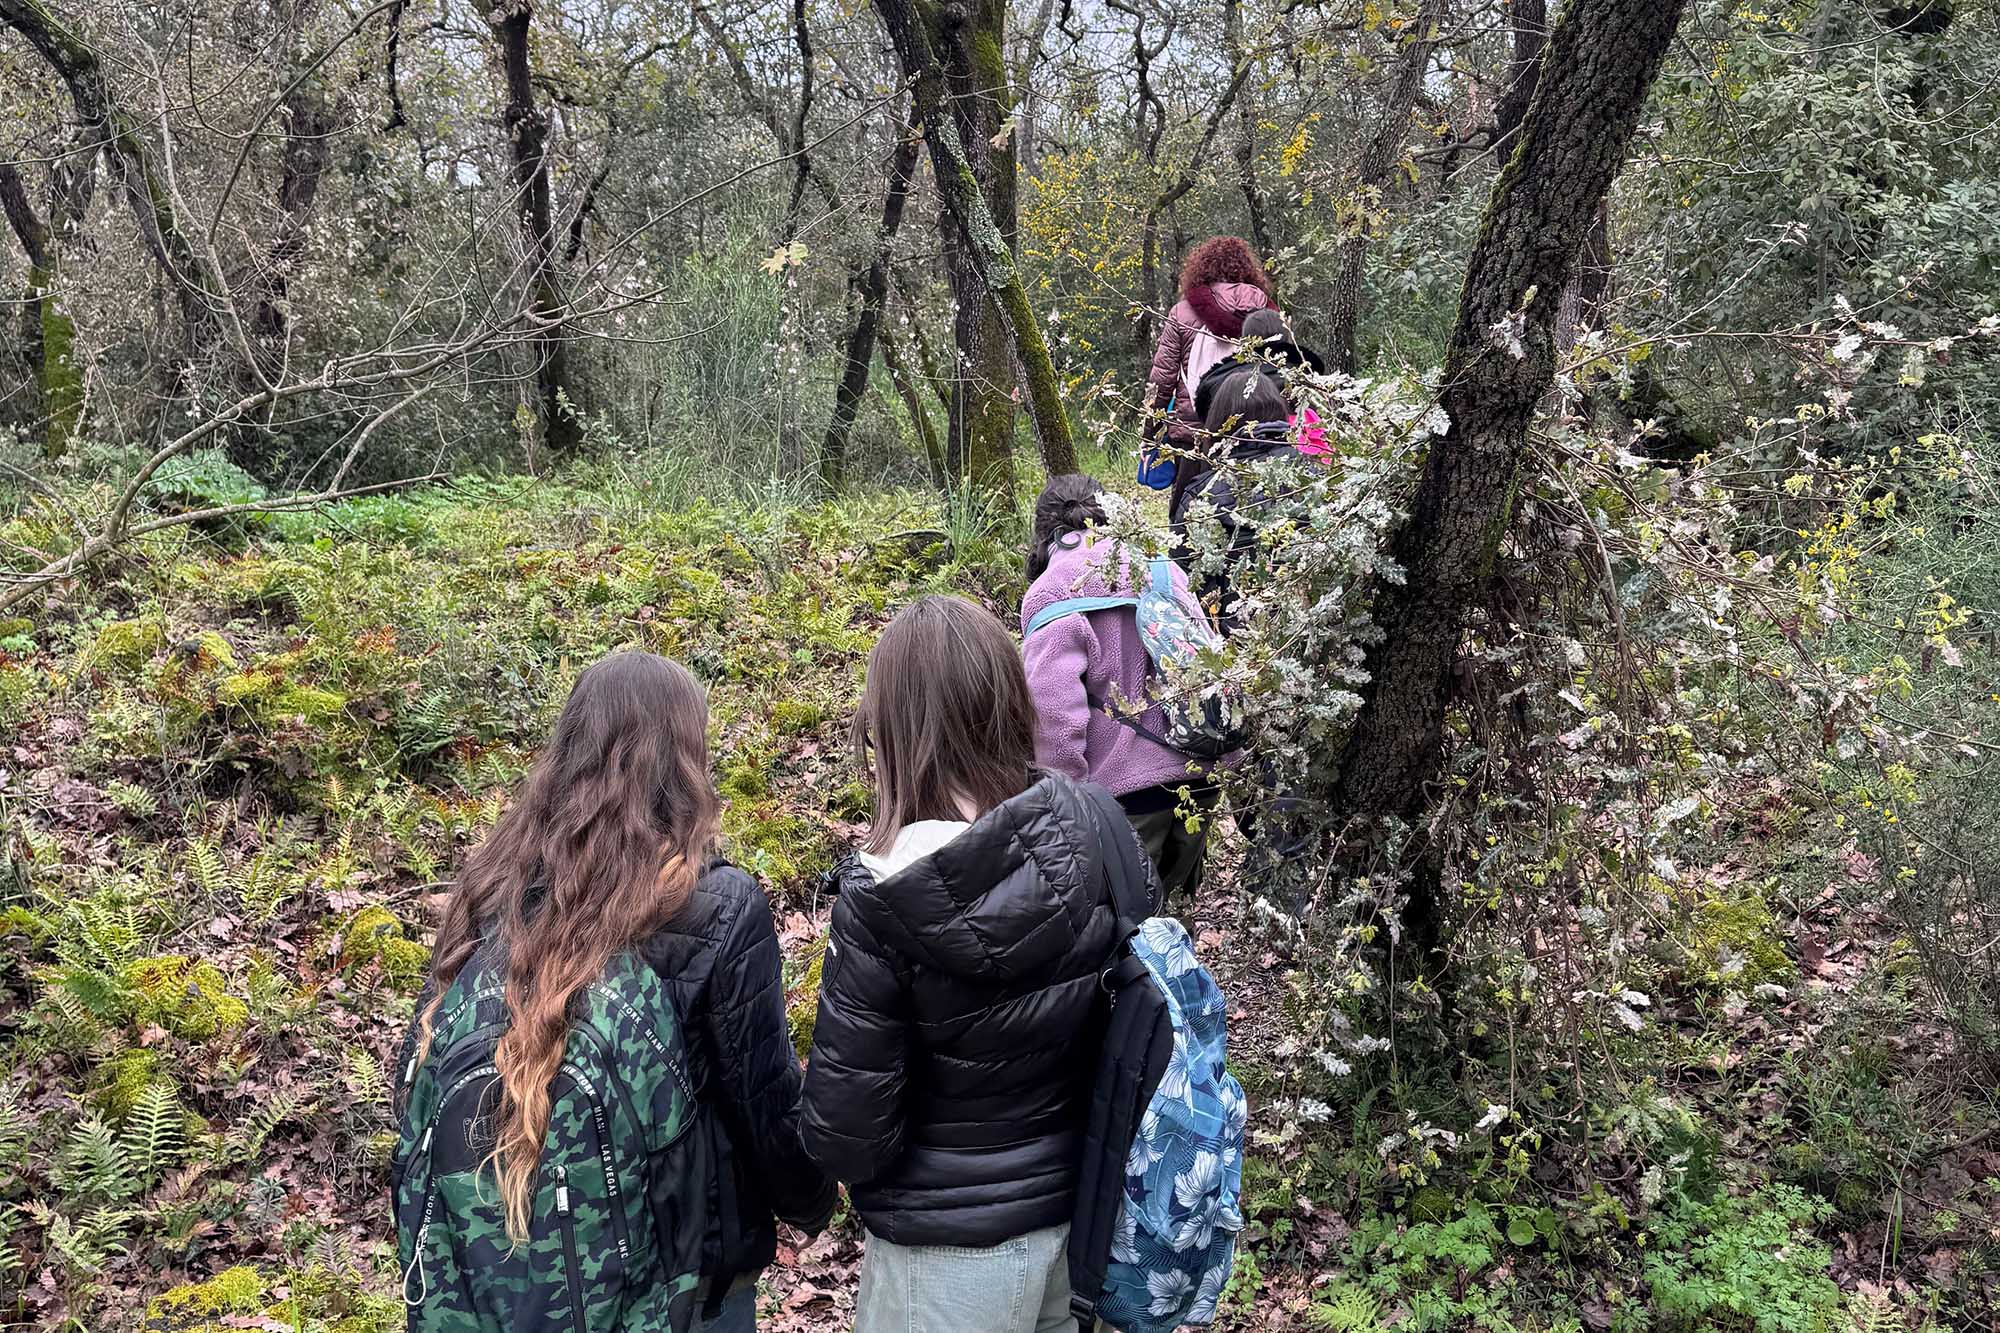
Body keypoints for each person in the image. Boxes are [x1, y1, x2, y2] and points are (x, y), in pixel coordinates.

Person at [402, 652, 834, 1333]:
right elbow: (764, 1099)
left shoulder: (491, 892)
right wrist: (812, 1201)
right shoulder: (716, 906)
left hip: (494, 1290)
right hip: (685, 1287)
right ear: (686, 760)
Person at [800, 596, 1140, 1333]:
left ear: (890, 726)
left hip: (941, 1261)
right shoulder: (1096, 826)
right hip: (1085, 1228)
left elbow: (848, 1136)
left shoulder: (879, 896)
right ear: (1008, 698)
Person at [1021, 474, 1221, 900]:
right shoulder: (1163, 569)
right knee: (1172, 914)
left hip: (1124, 798)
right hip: (1200, 774)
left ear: (1044, 533)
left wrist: (1067, 807)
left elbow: (1053, 717)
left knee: (1123, 929)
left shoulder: (1051, 592)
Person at [1171, 366, 1298, 634]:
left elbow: (1180, 582)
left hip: (1228, 641)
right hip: (1307, 630)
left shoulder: (1201, 495)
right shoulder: (1315, 479)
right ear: (1279, 412)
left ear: (1218, 422)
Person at [1144, 236, 1279, 481]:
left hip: (1195, 434)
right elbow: (1282, 371)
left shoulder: (1183, 313)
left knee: (1189, 509)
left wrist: (1149, 434)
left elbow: (1162, 382)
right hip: (1254, 431)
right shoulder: (1264, 310)